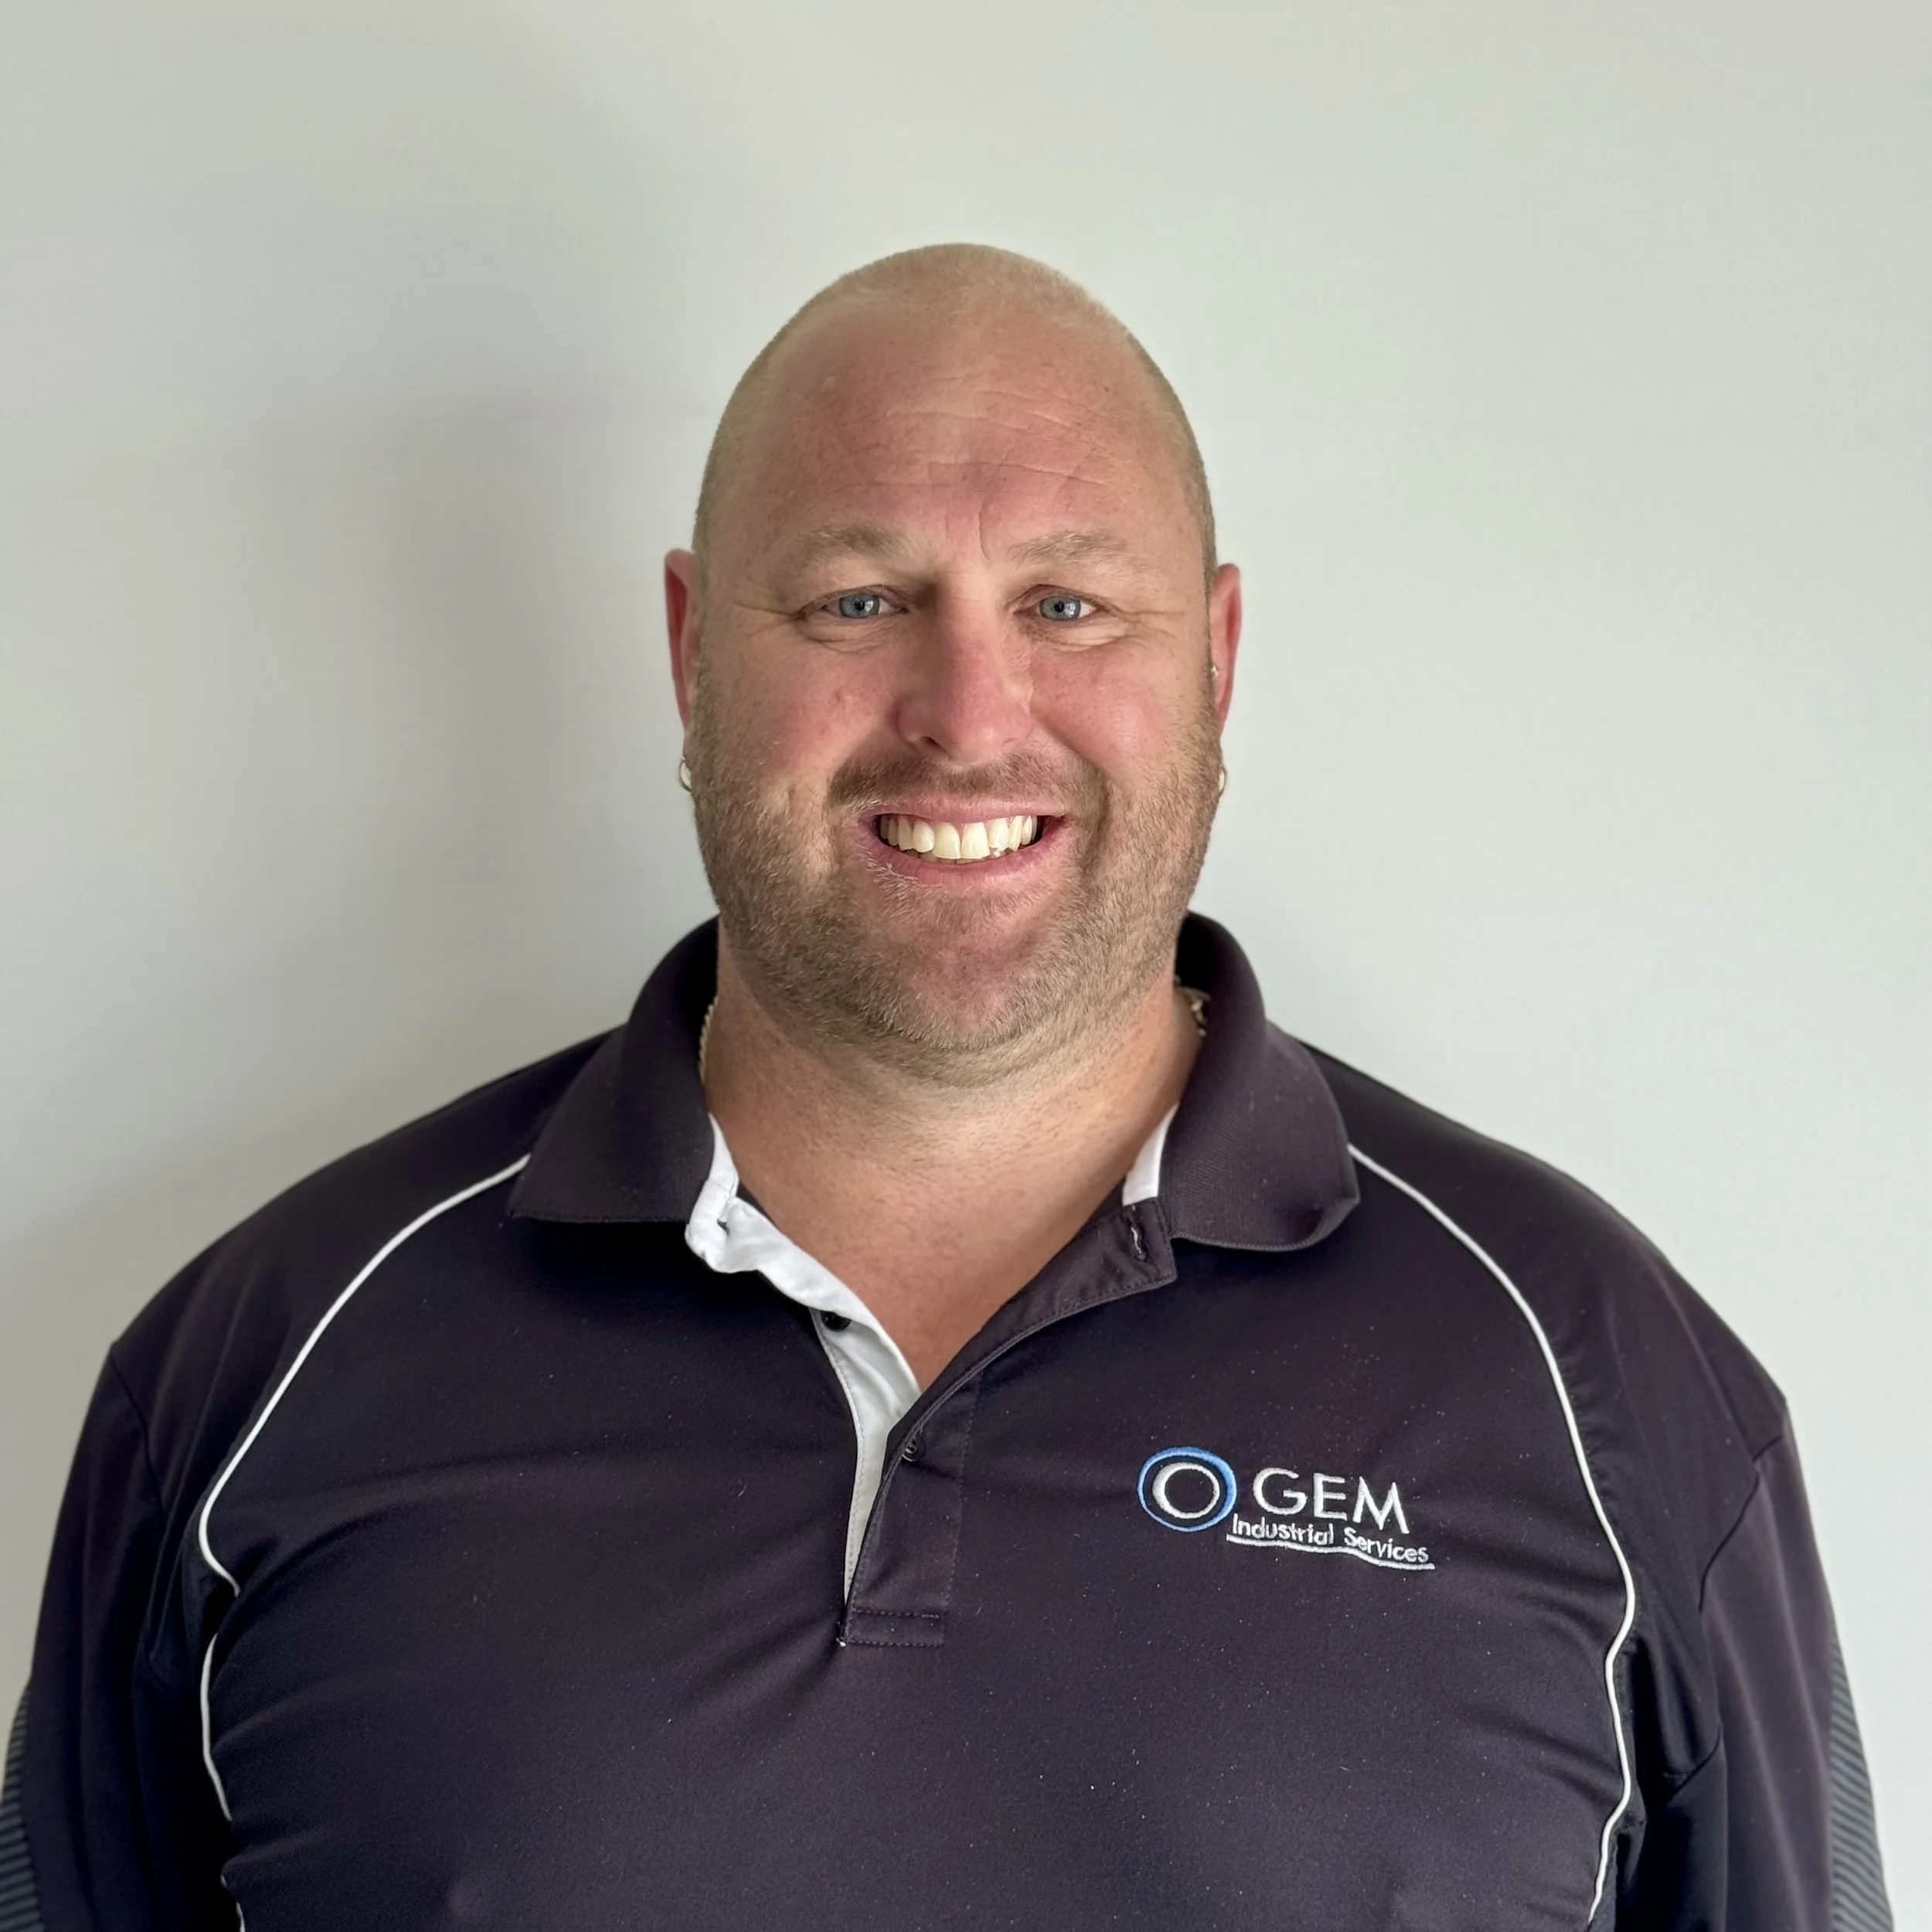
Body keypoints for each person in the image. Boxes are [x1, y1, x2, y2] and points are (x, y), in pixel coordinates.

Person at [0, 244, 1892, 1931]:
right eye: (855, 600)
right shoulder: (261, 1358)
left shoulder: (1599, 1374)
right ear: (689, 650)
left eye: (1066, 603)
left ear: (1216, 656)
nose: (968, 712)